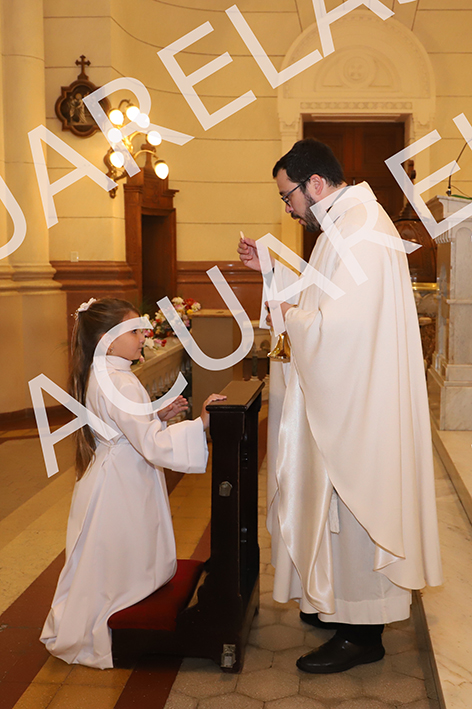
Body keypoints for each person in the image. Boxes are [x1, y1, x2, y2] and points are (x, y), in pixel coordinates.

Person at [238, 139, 442, 673]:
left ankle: (363, 633)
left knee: (356, 506)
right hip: (350, 397)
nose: (288, 208)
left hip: (360, 406)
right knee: (339, 510)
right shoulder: (344, 225)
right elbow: (320, 298)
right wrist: (272, 272)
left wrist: (288, 314)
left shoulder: (361, 230)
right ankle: (342, 608)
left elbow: (342, 330)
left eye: (288, 196)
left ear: (316, 184)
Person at [40, 297, 225, 669]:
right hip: (121, 482)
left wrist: (155, 414)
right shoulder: (120, 382)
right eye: (135, 331)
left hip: (112, 473)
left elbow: (119, 425)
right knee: (118, 552)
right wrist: (201, 423)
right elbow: (152, 445)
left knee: (105, 553)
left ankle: (106, 607)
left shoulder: (103, 372)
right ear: (108, 340)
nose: (144, 336)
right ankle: (111, 619)